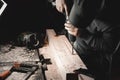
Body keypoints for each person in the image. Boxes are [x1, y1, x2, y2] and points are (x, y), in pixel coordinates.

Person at [55, 0, 120, 80]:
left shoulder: (110, 19)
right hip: (77, 49)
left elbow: (109, 46)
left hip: (93, 61)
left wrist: (83, 35)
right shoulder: (76, 5)